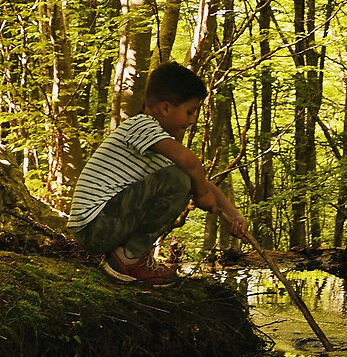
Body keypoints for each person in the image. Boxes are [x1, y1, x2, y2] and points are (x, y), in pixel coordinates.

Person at [69, 59, 249, 286]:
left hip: (101, 226)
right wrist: (201, 194)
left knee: (183, 178)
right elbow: (190, 163)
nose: (193, 120)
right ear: (165, 108)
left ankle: (129, 256)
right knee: (180, 179)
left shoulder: (158, 145)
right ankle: (128, 259)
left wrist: (235, 217)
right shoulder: (142, 125)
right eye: (190, 111)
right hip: (95, 226)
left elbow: (201, 180)